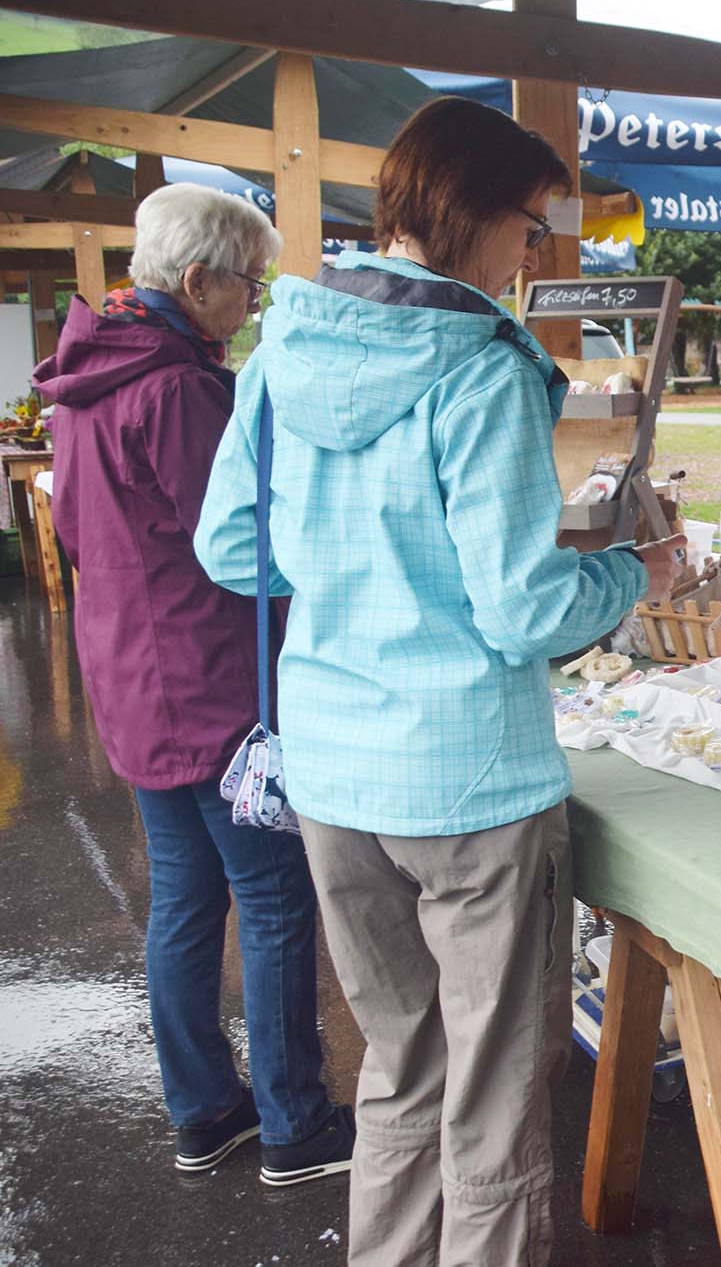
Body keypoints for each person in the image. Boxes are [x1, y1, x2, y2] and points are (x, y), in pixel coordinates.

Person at [195, 97, 682, 1265]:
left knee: (401, 1066)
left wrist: (355, 569)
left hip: (331, 772)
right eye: (529, 225)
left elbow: (233, 549)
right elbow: (523, 610)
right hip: (470, 785)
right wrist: (633, 571)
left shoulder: (284, 344)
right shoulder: (483, 368)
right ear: (471, 212)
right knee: (494, 1099)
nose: (532, 252)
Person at [31, 185, 353, 1184]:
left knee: (181, 897)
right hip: (208, 678)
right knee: (272, 894)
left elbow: (76, 530)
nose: (254, 304)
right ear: (197, 278)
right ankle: (296, 1122)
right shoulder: (176, 389)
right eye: (248, 284)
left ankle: (205, 1111)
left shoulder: (85, 379)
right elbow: (243, 541)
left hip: (130, 673)